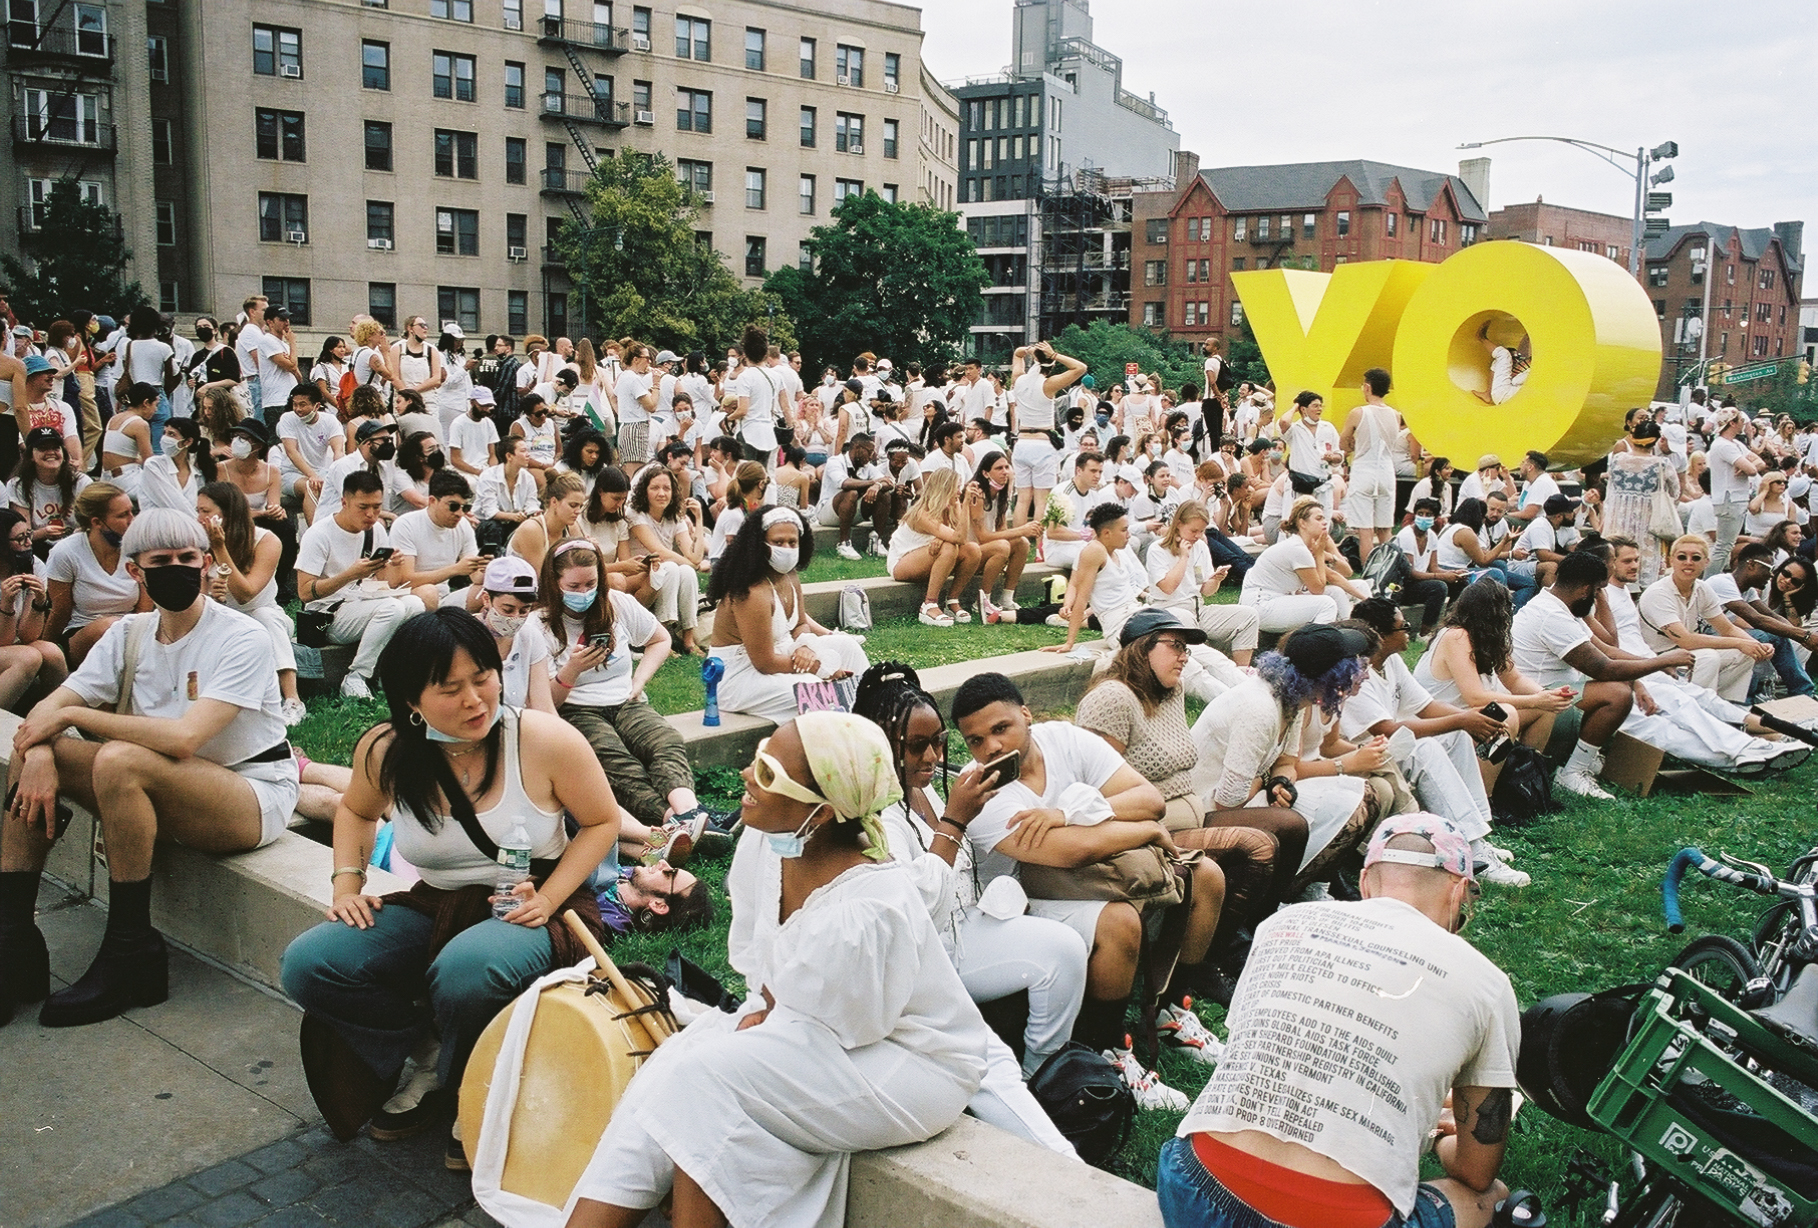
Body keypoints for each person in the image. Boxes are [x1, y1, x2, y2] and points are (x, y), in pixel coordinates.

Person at [567, 713, 992, 1228]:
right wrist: (768, 1008)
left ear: (822, 812)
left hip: (911, 1060)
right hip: (808, 1024)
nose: (747, 774)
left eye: (768, 773)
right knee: (673, 1073)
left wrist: (772, 1021)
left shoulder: (867, 909)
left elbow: (855, 1027)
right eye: (759, 756)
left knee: (702, 1081)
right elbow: (759, 958)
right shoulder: (766, 844)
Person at [280, 608, 619, 1158]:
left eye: (484, 677)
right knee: (310, 964)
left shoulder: (544, 739)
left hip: (536, 900)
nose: (475, 700)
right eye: (450, 688)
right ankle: (427, 1051)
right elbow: (355, 812)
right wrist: (347, 884)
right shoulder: (385, 749)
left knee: (469, 970)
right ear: (411, 699)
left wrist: (552, 897)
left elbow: (602, 823)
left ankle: (471, 1088)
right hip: (434, 902)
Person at [2, 508, 297, 1028]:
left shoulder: (243, 636)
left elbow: (185, 739)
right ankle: (12, 939)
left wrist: (68, 716)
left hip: (249, 793)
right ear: (136, 572)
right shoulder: (129, 634)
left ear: (207, 563)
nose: (179, 568)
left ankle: (131, 948)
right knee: (32, 747)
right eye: (162, 561)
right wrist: (44, 750)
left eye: (189, 558)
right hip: (163, 782)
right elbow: (48, 712)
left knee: (118, 759)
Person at [1161, 814, 1519, 1228]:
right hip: (1339, 1221)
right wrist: (1438, 1133)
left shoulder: (1279, 926)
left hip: (1195, 1188)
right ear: (1459, 893)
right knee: (1490, 1197)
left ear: (1366, 883)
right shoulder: (1487, 984)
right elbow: (1476, 1171)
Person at [1076, 610, 1307, 962]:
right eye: (1176, 646)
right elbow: (1097, 790)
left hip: (1190, 815)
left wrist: (1276, 779)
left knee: (1291, 826)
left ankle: (1256, 928)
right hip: (1147, 830)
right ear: (1141, 648)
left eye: (1187, 648)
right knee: (1255, 846)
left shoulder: (1170, 691)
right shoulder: (1113, 699)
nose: (1186, 656)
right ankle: (1216, 954)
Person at [1191, 624, 1399, 899]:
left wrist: (1280, 781)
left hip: (1246, 794)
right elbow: (1226, 801)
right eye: (1349, 665)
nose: (1358, 671)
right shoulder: (1259, 708)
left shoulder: (1294, 695)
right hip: (1204, 808)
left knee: (1360, 794)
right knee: (1310, 817)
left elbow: (1287, 762)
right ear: (1328, 676)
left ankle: (1306, 886)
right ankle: (1268, 898)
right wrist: (1268, 781)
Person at [1340, 600, 1528, 886]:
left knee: (1454, 734)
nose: (1409, 631)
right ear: (1378, 634)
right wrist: (1463, 720)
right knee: (1424, 748)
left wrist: (1472, 720)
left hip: (1387, 749)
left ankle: (1477, 835)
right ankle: (1472, 849)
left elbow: (1427, 706)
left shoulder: (1390, 662)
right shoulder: (1355, 673)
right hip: (1362, 755)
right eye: (1402, 627)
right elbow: (1387, 729)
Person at [532, 539, 709, 830]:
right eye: (574, 587)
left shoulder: (615, 603)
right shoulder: (538, 625)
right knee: (615, 761)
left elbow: (660, 639)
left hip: (624, 700)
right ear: (554, 582)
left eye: (590, 584)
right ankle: (674, 822)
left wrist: (638, 682)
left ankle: (689, 810)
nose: (584, 593)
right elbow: (547, 703)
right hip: (577, 708)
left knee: (665, 740)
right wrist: (572, 670)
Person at [1590, 537, 1803, 775]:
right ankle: (1744, 751)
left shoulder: (1621, 592)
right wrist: (1651, 667)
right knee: (1678, 713)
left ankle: (1760, 743)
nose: (1635, 566)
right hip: (1640, 667)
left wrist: (1751, 645)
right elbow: (1607, 648)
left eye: (1637, 560)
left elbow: (1727, 628)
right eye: (1625, 561)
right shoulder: (1603, 597)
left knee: (1699, 700)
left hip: (1646, 665)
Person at [1510, 550, 1694, 799]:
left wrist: (1648, 671)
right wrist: (1663, 660)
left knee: (1622, 684)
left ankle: (1581, 757)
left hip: (1548, 691)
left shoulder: (1555, 603)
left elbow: (1607, 649)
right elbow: (1603, 667)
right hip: (1538, 706)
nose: (1598, 597)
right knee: (1616, 694)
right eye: (1599, 591)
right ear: (1586, 590)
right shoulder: (1552, 616)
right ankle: (1573, 773)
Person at [706, 508, 869, 722]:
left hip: (782, 654)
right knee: (814, 689)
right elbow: (764, 662)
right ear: (759, 544)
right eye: (778, 542)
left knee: (848, 647)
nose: (787, 548)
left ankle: (870, 712)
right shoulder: (751, 592)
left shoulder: (789, 575)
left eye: (792, 542)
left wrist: (803, 645)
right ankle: (845, 731)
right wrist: (818, 667)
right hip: (739, 676)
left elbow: (800, 623)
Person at [296, 470, 427, 700]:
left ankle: (396, 670)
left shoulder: (375, 530)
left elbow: (386, 583)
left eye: (377, 507)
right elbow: (305, 592)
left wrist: (391, 565)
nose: (371, 514)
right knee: (392, 608)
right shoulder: (318, 534)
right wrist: (348, 575)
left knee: (416, 603)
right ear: (344, 502)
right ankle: (356, 676)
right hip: (326, 617)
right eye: (363, 507)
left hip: (360, 603)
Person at [1412, 577, 1575, 754]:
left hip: (1471, 716)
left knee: (1544, 709)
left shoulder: (1488, 638)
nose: (1508, 616)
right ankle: (1493, 779)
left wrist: (1546, 696)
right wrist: (1534, 701)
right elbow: (1475, 698)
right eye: (1507, 610)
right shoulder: (1456, 636)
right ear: (1492, 613)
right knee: (1508, 714)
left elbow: (1515, 680)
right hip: (1445, 722)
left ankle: (1527, 774)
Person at [197, 482, 306, 726]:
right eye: (198, 511)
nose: (199, 518)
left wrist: (219, 548)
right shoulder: (198, 543)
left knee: (264, 617)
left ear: (228, 513)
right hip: (223, 620)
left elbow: (247, 593)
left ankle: (293, 700)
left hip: (263, 616)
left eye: (205, 511)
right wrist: (211, 595)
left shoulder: (266, 541)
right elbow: (199, 598)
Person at [1636, 534, 1773, 703]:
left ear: (1706, 562)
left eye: (1695, 558)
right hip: (1658, 657)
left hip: (1684, 653)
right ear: (1671, 561)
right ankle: (1697, 709)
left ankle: (1726, 706)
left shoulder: (1702, 588)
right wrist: (1740, 643)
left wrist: (1756, 646)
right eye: (1681, 557)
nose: (1688, 562)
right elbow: (1686, 640)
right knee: (1709, 657)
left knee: (1745, 653)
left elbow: (1727, 628)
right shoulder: (1658, 593)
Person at [1146, 501, 1260, 666]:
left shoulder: (1200, 547)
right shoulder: (1157, 549)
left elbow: (1206, 590)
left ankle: (1242, 669)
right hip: (1170, 611)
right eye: (1193, 530)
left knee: (1248, 615)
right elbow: (1168, 587)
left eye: (1201, 531)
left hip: (1198, 610)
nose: (1197, 536)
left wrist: (1216, 579)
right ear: (1178, 524)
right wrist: (1183, 557)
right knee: (1185, 618)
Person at [45, 483, 145, 668]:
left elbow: (144, 610)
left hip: (133, 630)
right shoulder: (66, 552)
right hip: (83, 632)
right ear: (97, 522)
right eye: (123, 515)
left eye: (132, 512)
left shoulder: (140, 548)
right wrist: (46, 652)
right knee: (107, 627)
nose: (132, 520)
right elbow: (60, 611)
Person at [1239, 496, 1365, 632]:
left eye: (1323, 518)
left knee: (1335, 592)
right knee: (1326, 604)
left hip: (1278, 599)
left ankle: (1352, 631)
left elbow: (1337, 575)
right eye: (1318, 519)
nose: (1324, 522)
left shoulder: (1305, 545)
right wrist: (1320, 554)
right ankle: (1317, 645)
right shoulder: (1297, 548)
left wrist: (1366, 599)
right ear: (1302, 523)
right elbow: (1318, 589)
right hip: (1261, 605)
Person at [1712, 542, 1817, 699]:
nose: (1771, 575)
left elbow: (1771, 616)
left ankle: (1803, 693)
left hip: (1728, 638)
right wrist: (1804, 636)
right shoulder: (1722, 582)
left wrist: (1802, 636)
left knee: (1775, 637)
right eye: (1768, 569)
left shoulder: (1748, 591)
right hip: (1709, 638)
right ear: (1752, 565)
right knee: (1769, 637)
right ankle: (1802, 692)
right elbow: (1757, 620)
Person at [1007, 341, 1087, 531]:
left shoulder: (1018, 380)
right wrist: (1054, 355)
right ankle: (1039, 540)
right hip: (1042, 444)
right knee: (1042, 499)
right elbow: (1080, 367)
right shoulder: (1049, 384)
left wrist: (1028, 350)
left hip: (1022, 442)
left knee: (1023, 498)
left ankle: (1019, 538)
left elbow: (1017, 355)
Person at [627, 464, 706, 654]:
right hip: (642, 580)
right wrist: (694, 564)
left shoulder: (674, 517)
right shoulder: (635, 515)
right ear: (644, 491)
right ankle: (662, 637)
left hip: (666, 578)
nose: (661, 493)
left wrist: (699, 518)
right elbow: (659, 552)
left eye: (667, 488)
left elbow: (694, 555)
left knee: (684, 571)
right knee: (670, 567)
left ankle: (688, 639)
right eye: (655, 488)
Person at [889, 469, 982, 628]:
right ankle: (929, 605)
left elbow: (964, 540)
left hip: (927, 557)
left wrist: (959, 507)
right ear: (944, 489)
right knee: (949, 547)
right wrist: (966, 503)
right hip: (902, 562)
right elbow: (957, 538)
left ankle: (952, 601)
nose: (959, 491)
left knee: (973, 550)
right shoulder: (922, 513)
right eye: (956, 487)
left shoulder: (952, 506)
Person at [389, 469, 486, 610]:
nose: (459, 513)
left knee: (488, 592)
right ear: (432, 501)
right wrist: (455, 570)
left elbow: (476, 578)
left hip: (445, 597)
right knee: (428, 592)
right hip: (411, 597)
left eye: (465, 508)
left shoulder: (463, 525)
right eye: (453, 506)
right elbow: (405, 580)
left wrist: (485, 569)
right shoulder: (406, 524)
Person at [470, 556, 554, 714]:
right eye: (507, 610)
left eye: (524, 611)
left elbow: (544, 706)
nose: (515, 618)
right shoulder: (463, 637)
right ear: (487, 599)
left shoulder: (530, 636)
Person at [965, 450, 1041, 624]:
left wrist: (1020, 534)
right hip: (970, 551)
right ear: (985, 473)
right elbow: (983, 537)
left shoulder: (1002, 492)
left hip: (984, 548)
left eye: (1007, 467)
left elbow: (1002, 529)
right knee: (1002, 546)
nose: (1005, 471)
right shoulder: (977, 493)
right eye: (999, 468)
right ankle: (982, 601)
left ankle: (1006, 597)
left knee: (1021, 543)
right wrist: (1022, 529)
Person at [0, 507, 65, 710]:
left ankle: (54, 716)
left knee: (51, 652)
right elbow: (4, 641)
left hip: (10, 643)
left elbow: (29, 637)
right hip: (4, 641)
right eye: (20, 539)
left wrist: (38, 602)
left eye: (29, 535)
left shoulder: (35, 565)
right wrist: (7, 605)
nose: (29, 543)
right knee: (28, 657)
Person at [1339, 369, 1400, 552]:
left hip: (1364, 470)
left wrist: (1353, 445)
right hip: (1386, 471)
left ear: (1367, 387)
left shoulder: (1358, 413)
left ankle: (1368, 574)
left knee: (1365, 531)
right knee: (1385, 529)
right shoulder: (1395, 415)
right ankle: (1389, 570)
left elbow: (1343, 442)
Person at [9, 426, 88, 553]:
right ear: (30, 456)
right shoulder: (18, 485)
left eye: (56, 447)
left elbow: (93, 525)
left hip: (78, 546)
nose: (50, 452)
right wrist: (44, 533)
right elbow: (24, 536)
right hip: (39, 548)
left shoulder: (81, 482)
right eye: (43, 448)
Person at [1706, 407, 1764, 575]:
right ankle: (1708, 581)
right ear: (1732, 423)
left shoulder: (1736, 444)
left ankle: (1714, 579)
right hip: (1728, 500)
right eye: (1740, 420)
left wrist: (1746, 467)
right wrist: (1748, 467)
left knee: (1727, 545)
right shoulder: (1723, 445)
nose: (1744, 423)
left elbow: (1758, 463)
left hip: (1736, 499)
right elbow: (1752, 470)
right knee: (1724, 545)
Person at [1039, 451, 1107, 574]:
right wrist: (1082, 535)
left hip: (1084, 545)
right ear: (1079, 471)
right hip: (1058, 549)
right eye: (1093, 471)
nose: (1097, 476)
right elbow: (1052, 532)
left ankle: (1142, 590)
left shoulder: (1095, 495)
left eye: (1100, 472)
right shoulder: (1062, 493)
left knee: (1122, 551)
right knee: (1096, 557)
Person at [508, 470, 586, 574]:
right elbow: (542, 577)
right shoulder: (531, 529)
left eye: (580, 506)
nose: (578, 511)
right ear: (554, 502)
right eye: (573, 505)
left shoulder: (572, 527)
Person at [99, 380, 157, 495]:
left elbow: (117, 453)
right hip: (126, 480)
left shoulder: (114, 419)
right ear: (146, 403)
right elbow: (148, 461)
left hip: (106, 478)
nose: (156, 410)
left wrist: (135, 459)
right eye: (156, 405)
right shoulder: (140, 424)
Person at [449, 386, 500, 477]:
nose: (485, 409)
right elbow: (455, 459)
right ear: (472, 403)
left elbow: (492, 455)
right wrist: (478, 472)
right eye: (482, 405)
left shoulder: (489, 423)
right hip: (464, 471)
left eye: (488, 406)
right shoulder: (458, 424)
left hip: (485, 469)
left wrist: (493, 471)